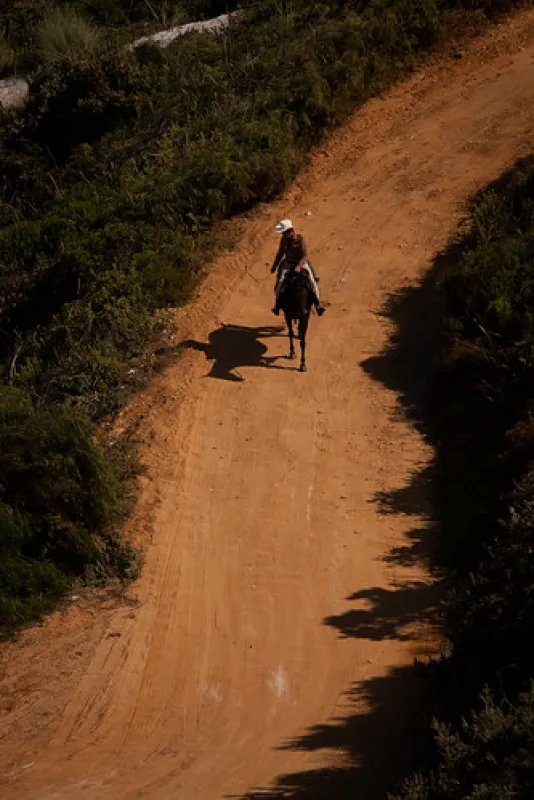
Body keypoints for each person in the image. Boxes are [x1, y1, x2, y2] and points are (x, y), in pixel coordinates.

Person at [270, 219, 325, 316]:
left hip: (301, 263)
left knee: (311, 281)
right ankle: (277, 305)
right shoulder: (284, 240)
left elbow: (304, 255)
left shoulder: (300, 239)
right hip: (288, 263)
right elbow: (280, 253)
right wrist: (274, 266)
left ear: (290, 231)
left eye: (284, 233)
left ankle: (318, 304)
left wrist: (299, 266)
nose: (283, 235)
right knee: (280, 282)